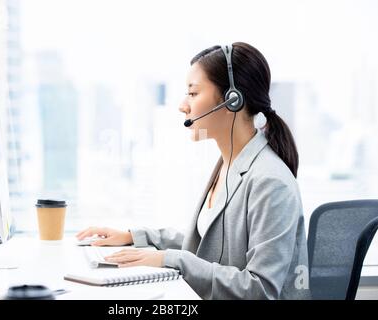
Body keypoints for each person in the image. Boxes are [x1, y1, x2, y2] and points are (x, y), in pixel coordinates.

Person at [77, 42, 311, 300]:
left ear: (232, 100)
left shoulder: (270, 182)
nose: (182, 105)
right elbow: (204, 249)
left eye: (193, 93)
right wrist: (135, 237)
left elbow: (260, 290)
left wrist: (171, 260)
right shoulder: (228, 164)